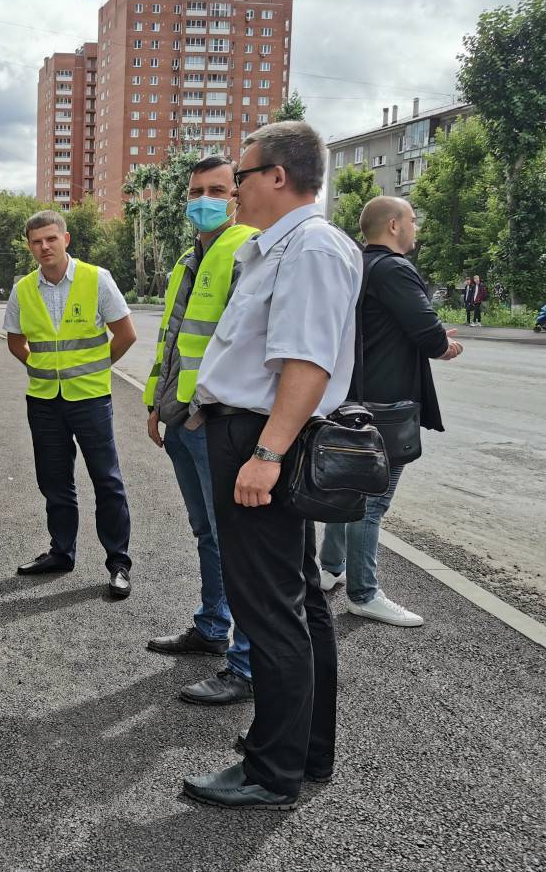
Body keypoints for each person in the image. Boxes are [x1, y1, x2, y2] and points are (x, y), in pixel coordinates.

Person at [181, 121, 360, 810]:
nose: (235, 189)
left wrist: (265, 454)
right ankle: (304, 751)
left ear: (277, 176)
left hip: (260, 441)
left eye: (243, 175)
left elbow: (307, 363)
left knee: (270, 611)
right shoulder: (280, 247)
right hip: (255, 436)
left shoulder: (310, 248)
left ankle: (271, 769)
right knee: (300, 602)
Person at [319, 197, 463, 626]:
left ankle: (329, 569)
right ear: (395, 226)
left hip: (352, 396)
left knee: (348, 489)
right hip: (387, 406)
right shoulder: (395, 269)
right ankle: (364, 593)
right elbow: (428, 334)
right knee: (372, 501)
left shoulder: (354, 266)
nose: (416, 228)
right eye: (413, 221)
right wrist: (445, 343)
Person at [144, 156, 258, 702]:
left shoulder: (248, 250)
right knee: (208, 534)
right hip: (181, 420)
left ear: (235, 195)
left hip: (218, 422)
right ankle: (213, 629)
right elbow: (171, 341)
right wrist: (155, 404)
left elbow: (246, 345)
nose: (203, 200)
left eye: (216, 190)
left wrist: (198, 411)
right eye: (196, 191)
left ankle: (247, 663)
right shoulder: (188, 260)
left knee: (238, 542)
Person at [4, 210, 137, 599]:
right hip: (44, 401)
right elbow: (15, 341)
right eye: (36, 241)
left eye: (51, 239)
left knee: (106, 480)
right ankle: (61, 552)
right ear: (30, 247)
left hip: (91, 398)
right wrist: (45, 367)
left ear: (66, 239)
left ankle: (118, 563)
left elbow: (125, 334)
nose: (44, 247)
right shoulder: (24, 289)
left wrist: (95, 369)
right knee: (54, 482)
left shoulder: (97, 280)